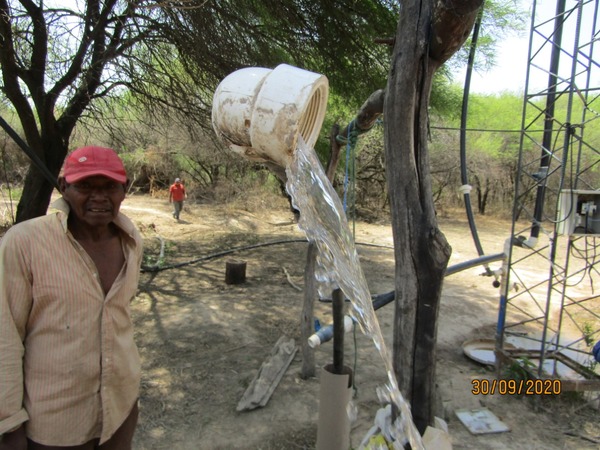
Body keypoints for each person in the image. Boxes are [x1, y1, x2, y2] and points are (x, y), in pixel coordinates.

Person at [0, 146, 144, 450]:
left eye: (109, 187)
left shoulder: (132, 240)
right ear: (64, 187)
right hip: (56, 420)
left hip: (120, 406)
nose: (99, 197)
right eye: (85, 186)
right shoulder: (24, 242)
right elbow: (5, 337)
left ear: (124, 189)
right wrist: (8, 424)